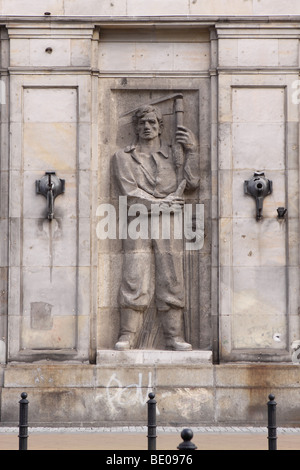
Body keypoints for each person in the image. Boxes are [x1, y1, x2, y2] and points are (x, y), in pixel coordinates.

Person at [113, 104, 199, 350]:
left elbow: (192, 182)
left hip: (169, 223)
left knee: (171, 277)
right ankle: (127, 334)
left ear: (161, 127)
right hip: (138, 220)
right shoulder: (123, 157)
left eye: (152, 123)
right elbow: (130, 193)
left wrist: (191, 151)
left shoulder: (175, 154)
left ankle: (173, 337)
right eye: (142, 123)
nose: (147, 127)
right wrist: (164, 202)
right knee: (134, 276)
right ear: (135, 128)